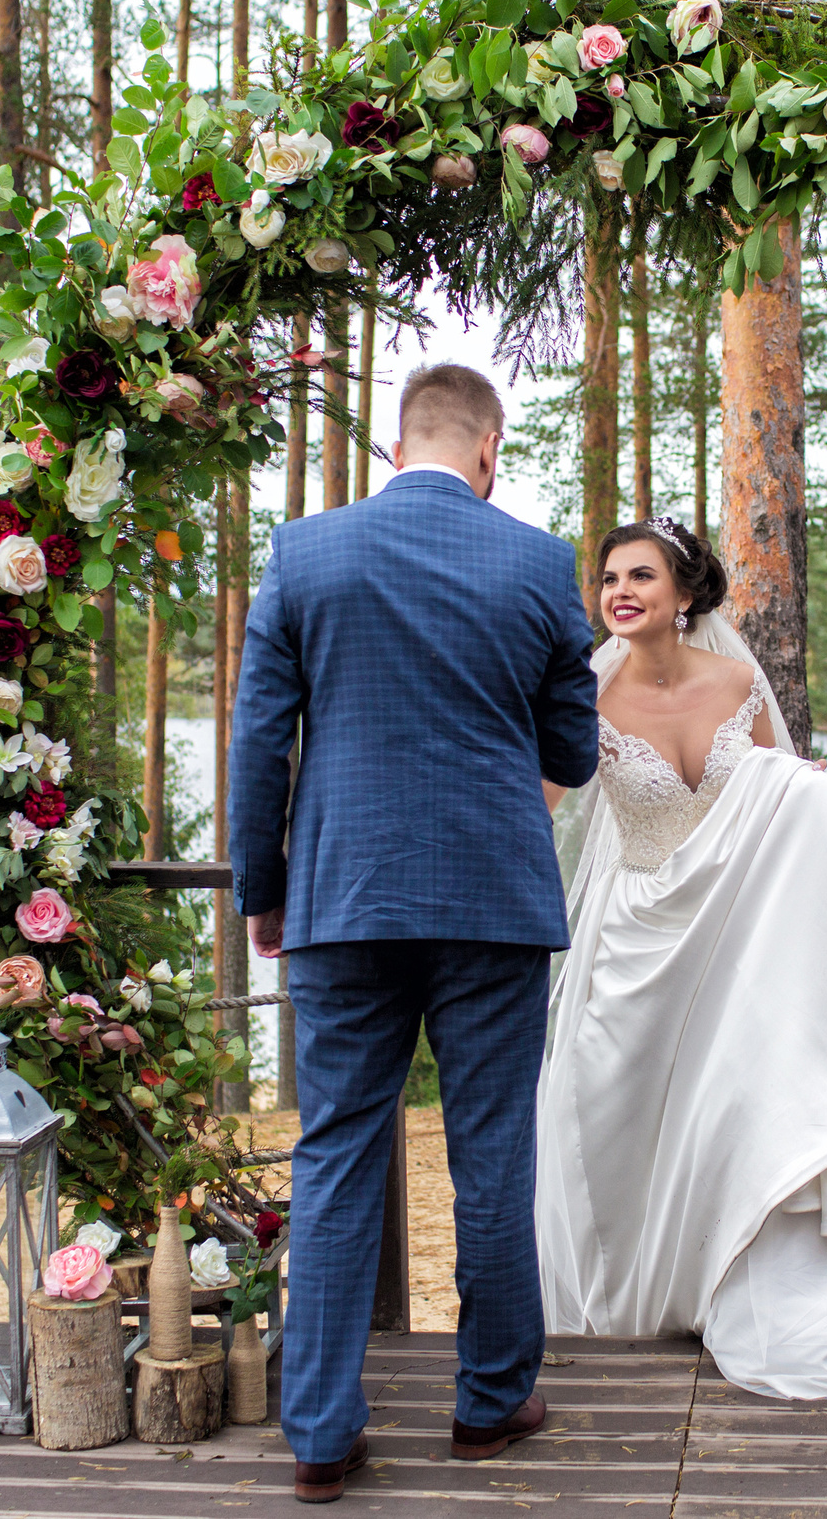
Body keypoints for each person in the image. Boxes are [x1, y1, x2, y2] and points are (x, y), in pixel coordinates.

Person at [228, 363, 598, 1503]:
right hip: (491, 900)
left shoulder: (304, 552)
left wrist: (264, 890)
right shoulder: (537, 562)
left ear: (399, 449)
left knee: (336, 1150)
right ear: (488, 450)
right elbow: (574, 755)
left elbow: (256, 747)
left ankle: (323, 1435)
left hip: (343, 900)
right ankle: (489, 1404)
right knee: (491, 1152)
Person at [537, 517, 827, 1400]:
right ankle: (636, 1293)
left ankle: (738, 1282)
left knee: (731, 1114)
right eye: (609, 578)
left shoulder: (739, 683)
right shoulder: (587, 695)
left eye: (641, 575)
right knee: (616, 1116)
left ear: (685, 594)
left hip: (730, 941)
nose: (620, 592)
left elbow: (781, 809)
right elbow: (539, 798)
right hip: (635, 937)